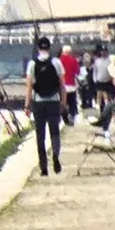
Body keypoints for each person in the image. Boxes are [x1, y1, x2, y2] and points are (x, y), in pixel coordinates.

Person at [26, 36, 66, 176]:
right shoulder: (56, 62)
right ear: (49, 48)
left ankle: (44, 167)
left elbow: (29, 86)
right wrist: (63, 102)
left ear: (38, 48)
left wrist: (27, 105)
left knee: (40, 135)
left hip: (38, 102)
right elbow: (62, 84)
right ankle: (55, 155)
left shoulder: (32, 64)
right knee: (55, 133)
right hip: (54, 101)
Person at [57, 44, 82, 126]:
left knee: (63, 103)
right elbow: (78, 71)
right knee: (72, 103)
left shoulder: (58, 61)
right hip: (71, 85)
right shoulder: (73, 60)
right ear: (69, 52)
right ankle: (72, 116)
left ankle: (65, 120)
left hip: (61, 86)